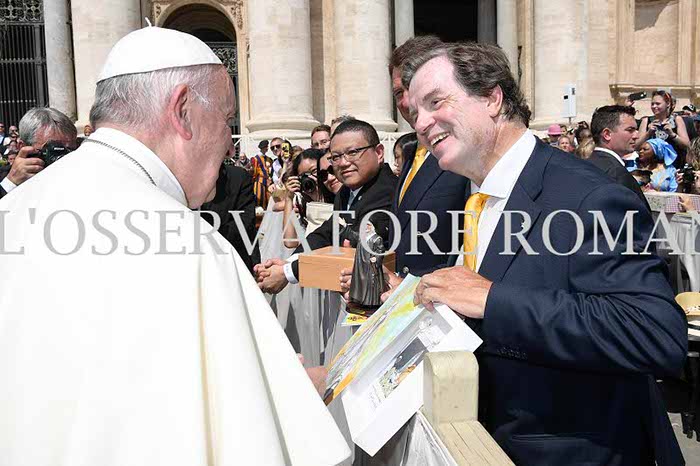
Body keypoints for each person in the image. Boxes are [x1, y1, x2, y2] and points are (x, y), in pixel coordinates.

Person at [0, 26, 349, 466]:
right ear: (182, 111)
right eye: (227, 120)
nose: (229, 141)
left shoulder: (11, 209)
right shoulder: (193, 248)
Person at [402, 41, 686, 466]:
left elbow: (654, 333)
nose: (421, 123)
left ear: (492, 98)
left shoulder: (589, 196)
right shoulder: (474, 193)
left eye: (435, 102)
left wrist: (492, 299)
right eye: (414, 112)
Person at [255, 119, 397, 294]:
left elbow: (354, 243)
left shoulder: (386, 191)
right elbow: (326, 232)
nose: (343, 163)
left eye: (352, 152)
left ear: (379, 152)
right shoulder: (347, 191)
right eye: (336, 157)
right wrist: (289, 262)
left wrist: (287, 273)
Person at [387, 35, 470, 277]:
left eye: (413, 87)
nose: (406, 101)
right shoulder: (411, 152)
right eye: (398, 92)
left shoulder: (463, 151)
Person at [0, 107, 78, 200]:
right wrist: (11, 183)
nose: (62, 158)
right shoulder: (4, 177)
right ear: (22, 146)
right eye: (54, 151)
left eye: (69, 150)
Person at [200, 162, 261, 274]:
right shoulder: (184, 179)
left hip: (234, 255)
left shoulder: (239, 176)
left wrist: (212, 238)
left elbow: (246, 219)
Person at [587, 105, 648, 205]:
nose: (636, 136)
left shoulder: (584, 166)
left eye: (636, 130)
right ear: (607, 134)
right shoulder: (617, 174)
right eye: (630, 130)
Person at [637, 90, 690, 164]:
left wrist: (672, 135)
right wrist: (648, 133)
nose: (654, 106)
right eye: (652, 104)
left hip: (674, 166)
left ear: (668, 104)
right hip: (651, 166)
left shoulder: (677, 120)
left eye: (658, 104)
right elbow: (636, 146)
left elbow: (687, 145)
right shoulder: (646, 121)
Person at [251, 139, 273, 209]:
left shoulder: (269, 159)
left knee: (268, 198)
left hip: (268, 181)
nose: (267, 148)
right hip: (259, 181)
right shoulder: (255, 159)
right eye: (266, 147)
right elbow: (254, 172)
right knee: (259, 197)